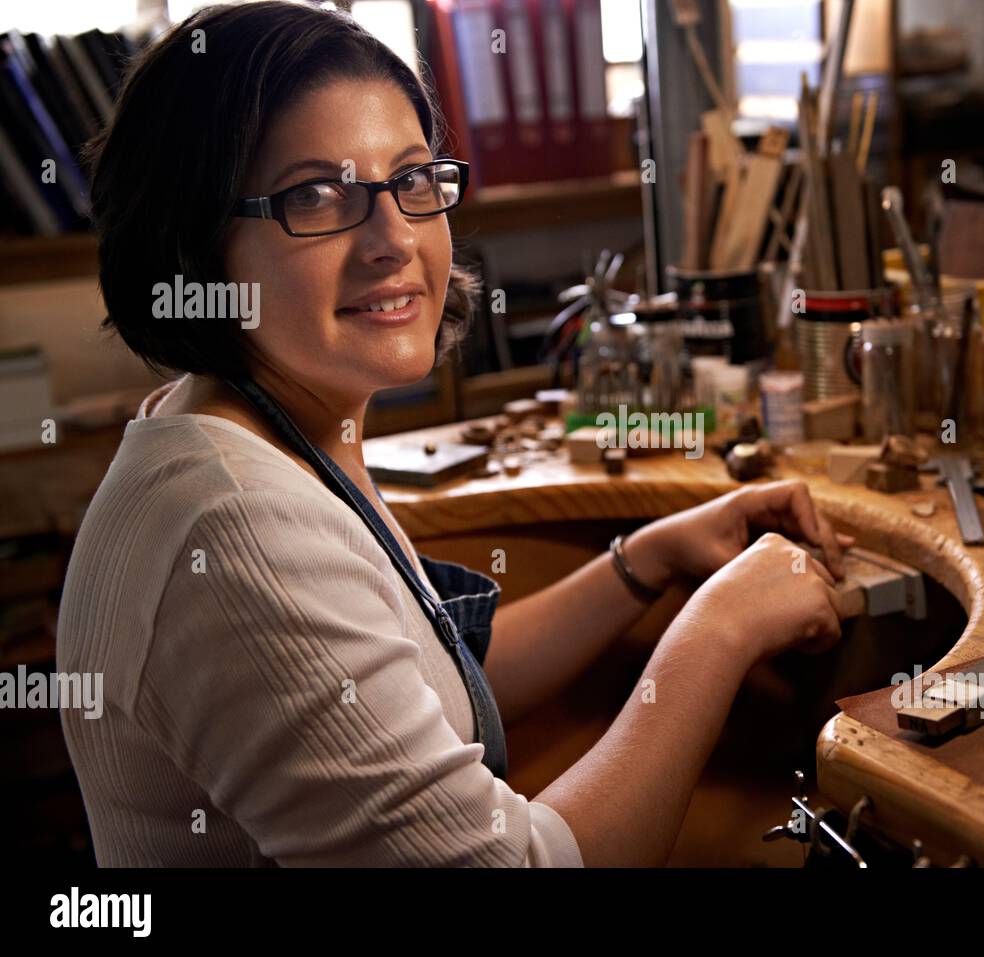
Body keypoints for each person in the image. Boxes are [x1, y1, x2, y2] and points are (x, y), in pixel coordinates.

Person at [58, 1, 848, 867]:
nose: (393, 239)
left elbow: (427, 679)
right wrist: (718, 630)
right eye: (316, 194)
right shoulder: (238, 528)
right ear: (192, 243)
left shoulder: (243, 422)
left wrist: (646, 559)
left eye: (411, 179)